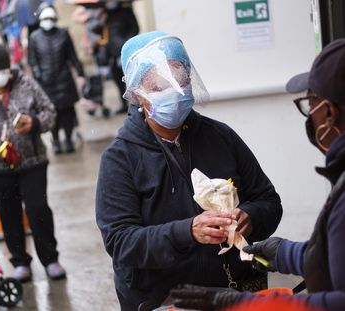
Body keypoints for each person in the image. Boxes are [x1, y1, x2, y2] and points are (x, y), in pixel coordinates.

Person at [95, 31, 283, 310]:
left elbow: (269, 201)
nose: (176, 92)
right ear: (137, 94)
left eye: (182, 82)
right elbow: (121, 241)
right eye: (160, 88)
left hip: (232, 288)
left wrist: (250, 217)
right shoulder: (120, 158)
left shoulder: (221, 137)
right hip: (162, 298)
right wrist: (188, 232)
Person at [170, 38, 345, 311]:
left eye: (311, 104)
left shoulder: (220, 136)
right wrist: (286, 253)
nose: (310, 116)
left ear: (330, 112)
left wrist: (252, 304)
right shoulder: (121, 157)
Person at [0, 42, 66, 283]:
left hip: (32, 161)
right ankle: (20, 262)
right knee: (9, 214)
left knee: (38, 209)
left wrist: (35, 123)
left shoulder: (26, 84)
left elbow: (49, 112)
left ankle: (50, 259)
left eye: (3, 70)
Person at [29, 3, 85, 154]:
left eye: (50, 18)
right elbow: (33, 60)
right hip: (46, 83)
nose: (48, 21)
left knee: (67, 113)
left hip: (64, 80)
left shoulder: (63, 34)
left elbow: (72, 56)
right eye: (45, 18)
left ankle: (67, 139)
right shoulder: (34, 37)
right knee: (51, 114)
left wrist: (80, 72)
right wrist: (38, 75)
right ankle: (56, 141)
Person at [104, 0, 139, 114]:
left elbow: (135, 29)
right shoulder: (107, 15)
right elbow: (103, 34)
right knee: (117, 80)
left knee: (132, 79)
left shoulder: (127, 12)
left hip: (125, 53)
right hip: (112, 55)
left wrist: (125, 43)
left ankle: (138, 103)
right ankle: (123, 104)